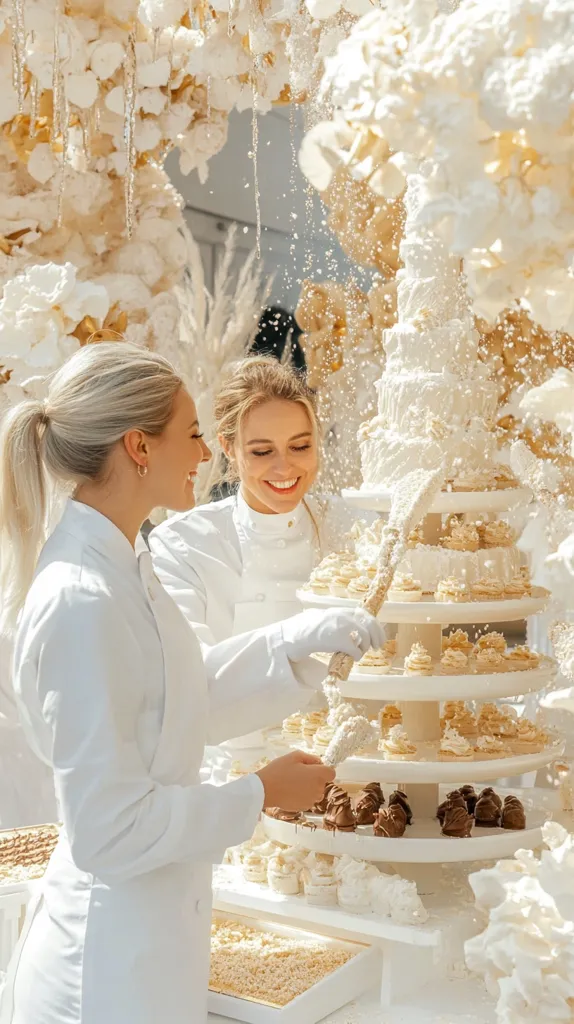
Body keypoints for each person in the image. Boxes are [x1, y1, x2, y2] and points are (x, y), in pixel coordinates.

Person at [0, 343, 383, 1024]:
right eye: (195, 433)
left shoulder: (126, 562)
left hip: (149, 948)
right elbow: (107, 832)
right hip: (102, 974)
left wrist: (297, 641)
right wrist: (258, 794)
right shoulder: (83, 598)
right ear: (139, 446)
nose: (207, 456)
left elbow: (178, 699)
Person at [149, 357, 377, 771]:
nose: (284, 467)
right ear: (228, 448)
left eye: (300, 446)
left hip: (355, 769)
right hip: (233, 779)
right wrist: (294, 638)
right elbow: (187, 682)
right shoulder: (183, 543)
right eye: (261, 451)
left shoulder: (357, 528)